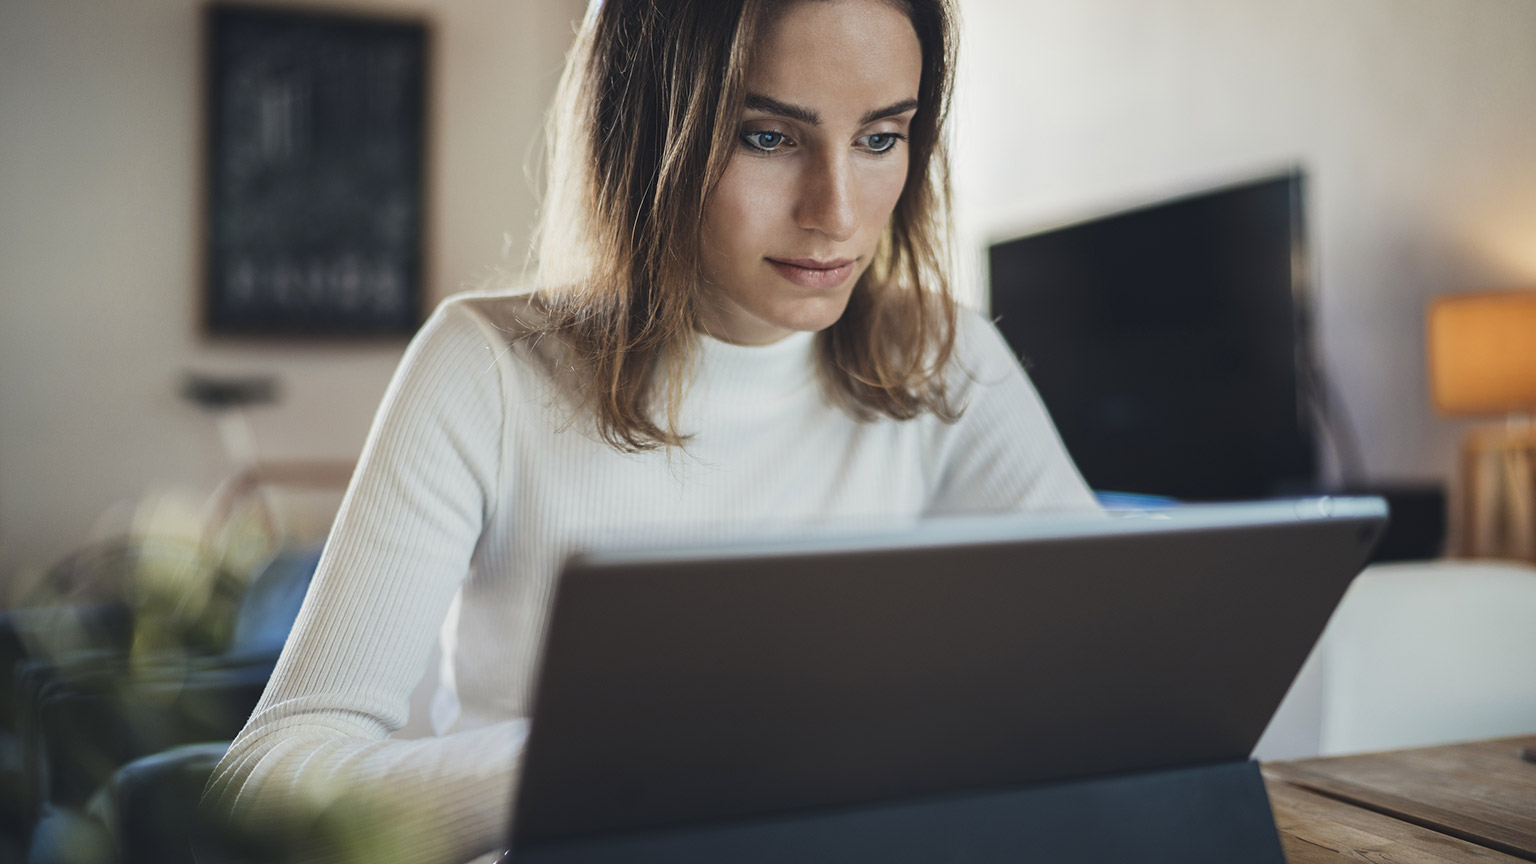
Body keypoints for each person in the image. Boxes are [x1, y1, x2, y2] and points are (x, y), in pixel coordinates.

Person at [202, 0, 1098, 861]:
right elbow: (265, 794)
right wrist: (627, 760)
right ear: (646, 137)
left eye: (878, 138)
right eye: (768, 136)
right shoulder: (488, 367)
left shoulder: (941, 355)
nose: (838, 211)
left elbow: (1124, 673)